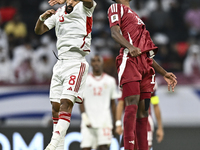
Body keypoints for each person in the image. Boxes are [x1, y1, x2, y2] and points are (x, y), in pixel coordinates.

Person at [107, 0, 177, 150]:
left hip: (145, 66)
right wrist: (130, 47)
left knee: (144, 110)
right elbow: (114, 32)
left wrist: (164, 73)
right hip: (130, 59)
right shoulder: (116, 7)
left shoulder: (137, 17)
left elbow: (147, 55)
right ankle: (128, 147)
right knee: (131, 102)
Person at [34, 0, 96, 150]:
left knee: (66, 103)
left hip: (76, 61)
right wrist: (41, 18)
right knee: (55, 107)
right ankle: (60, 147)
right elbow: (39, 31)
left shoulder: (86, 7)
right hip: (60, 63)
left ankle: (53, 144)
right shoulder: (59, 12)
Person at [80, 54, 119, 150]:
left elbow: (113, 104)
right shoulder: (84, 80)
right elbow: (81, 101)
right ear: (91, 63)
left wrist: (115, 122)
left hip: (104, 121)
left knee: (104, 148)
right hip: (88, 122)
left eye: (98, 60)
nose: (96, 63)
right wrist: (85, 117)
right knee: (86, 147)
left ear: (102, 63)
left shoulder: (110, 81)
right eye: (93, 61)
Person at [115, 82, 164, 150]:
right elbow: (121, 103)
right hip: (129, 121)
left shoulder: (150, 80)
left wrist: (160, 127)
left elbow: (155, 104)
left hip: (145, 121)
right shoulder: (125, 79)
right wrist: (118, 123)